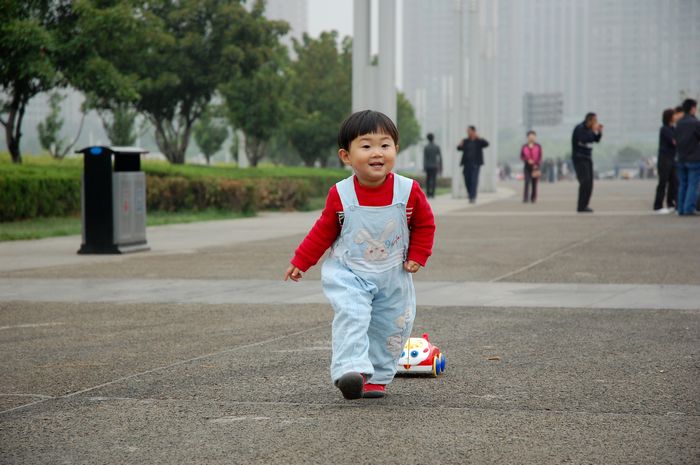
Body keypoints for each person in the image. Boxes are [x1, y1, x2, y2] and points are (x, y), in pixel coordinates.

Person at [284, 110, 436, 400]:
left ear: (396, 150)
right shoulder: (341, 194)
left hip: (393, 274)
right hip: (349, 272)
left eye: (385, 145)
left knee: (391, 326)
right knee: (352, 315)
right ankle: (350, 370)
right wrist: (301, 260)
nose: (376, 153)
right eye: (366, 146)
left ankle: (377, 377)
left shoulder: (409, 190)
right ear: (346, 156)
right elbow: (323, 230)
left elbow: (425, 223)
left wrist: (419, 253)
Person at [571, 112, 603, 212]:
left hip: (588, 158)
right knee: (584, 182)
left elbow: (596, 140)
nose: (596, 122)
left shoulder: (590, 129)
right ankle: (580, 206)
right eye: (595, 120)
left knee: (590, 183)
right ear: (589, 120)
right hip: (579, 158)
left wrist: (599, 132)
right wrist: (593, 129)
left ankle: (585, 205)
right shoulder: (580, 128)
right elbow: (584, 139)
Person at [675, 98, 700, 216]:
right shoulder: (695, 123)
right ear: (692, 108)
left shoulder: (678, 123)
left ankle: (681, 208)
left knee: (683, 184)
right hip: (694, 158)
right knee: (692, 184)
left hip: (681, 157)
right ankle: (688, 208)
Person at [653, 108, 678, 213]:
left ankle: (670, 203)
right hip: (665, 159)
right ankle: (658, 205)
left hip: (673, 158)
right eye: (674, 115)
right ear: (669, 117)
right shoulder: (664, 129)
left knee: (673, 182)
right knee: (663, 182)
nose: (676, 117)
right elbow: (674, 141)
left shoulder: (673, 128)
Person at [457, 126, 489, 203]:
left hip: (476, 164)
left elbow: (486, 144)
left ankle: (472, 197)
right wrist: (460, 145)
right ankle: (470, 193)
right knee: (467, 179)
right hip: (466, 164)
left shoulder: (479, 141)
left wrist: (480, 138)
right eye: (467, 131)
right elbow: (458, 148)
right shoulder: (465, 141)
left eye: (469, 131)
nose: (468, 132)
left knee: (473, 180)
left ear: (474, 131)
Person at [520, 130, 543, 203]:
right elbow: (522, 156)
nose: (532, 137)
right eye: (530, 136)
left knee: (534, 183)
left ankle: (533, 198)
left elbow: (540, 156)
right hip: (527, 166)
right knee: (527, 182)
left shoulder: (538, 146)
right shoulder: (524, 146)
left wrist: (537, 164)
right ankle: (525, 198)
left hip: (536, 167)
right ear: (528, 137)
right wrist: (527, 160)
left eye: (533, 136)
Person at [423, 133, 442, 198]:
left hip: (428, 166)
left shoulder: (426, 147)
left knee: (428, 180)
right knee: (434, 180)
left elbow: (425, 158)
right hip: (434, 166)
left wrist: (424, 166)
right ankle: (433, 194)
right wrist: (440, 166)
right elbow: (439, 157)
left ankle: (428, 193)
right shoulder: (436, 147)